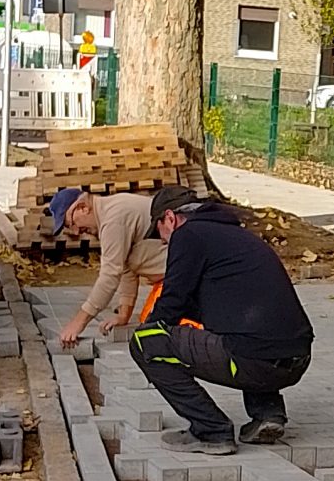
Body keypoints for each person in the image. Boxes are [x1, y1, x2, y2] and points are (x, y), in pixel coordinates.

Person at [129, 186, 313, 454]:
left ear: (170, 218)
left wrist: (150, 334)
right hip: (296, 358)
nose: (164, 242)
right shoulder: (234, 235)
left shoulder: (187, 235)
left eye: (160, 233)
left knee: (144, 343)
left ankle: (211, 431)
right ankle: (267, 414)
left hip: (255, 361)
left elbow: (172, 302)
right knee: (245, 333)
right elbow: (206, 307)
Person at [51, 187, 167, 351]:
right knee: (129, 258)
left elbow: (110, 276)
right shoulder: (111, 209)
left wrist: (78, 323)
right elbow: (125, 268)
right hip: (176, 267)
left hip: (188, 268)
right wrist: (123, 316)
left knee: (160, 330)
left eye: (71, 223)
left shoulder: (113, 220)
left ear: (83, 207)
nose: (76, 231)